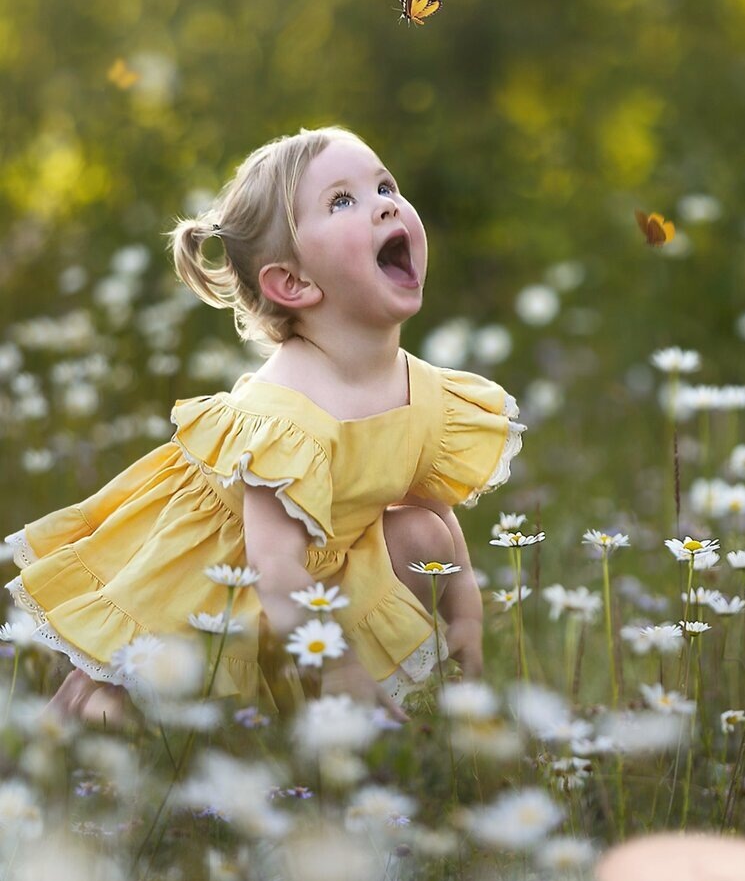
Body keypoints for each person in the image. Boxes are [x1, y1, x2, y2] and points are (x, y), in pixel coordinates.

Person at [4, 127, 525, 726]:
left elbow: (437, 515)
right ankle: (65, 747)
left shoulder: (423, 394)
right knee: (120, 713)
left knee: (423, 537)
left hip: (323, 572)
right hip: (215, 587)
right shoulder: (283, 417)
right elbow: (275, 572)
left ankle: (334, 733)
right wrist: (336, 666)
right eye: (342, 201)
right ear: (293, 283)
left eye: (385, 185)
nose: (384, 202)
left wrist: (467, 618)